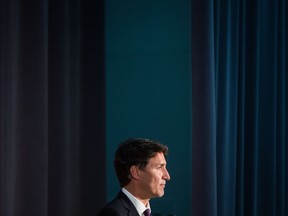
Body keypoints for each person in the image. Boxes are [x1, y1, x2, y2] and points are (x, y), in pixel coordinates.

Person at [97, 138, 171, 216]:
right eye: (159, 167)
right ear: (135, 172)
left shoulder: (145, 212)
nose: (167, 176)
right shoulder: (112, 214)